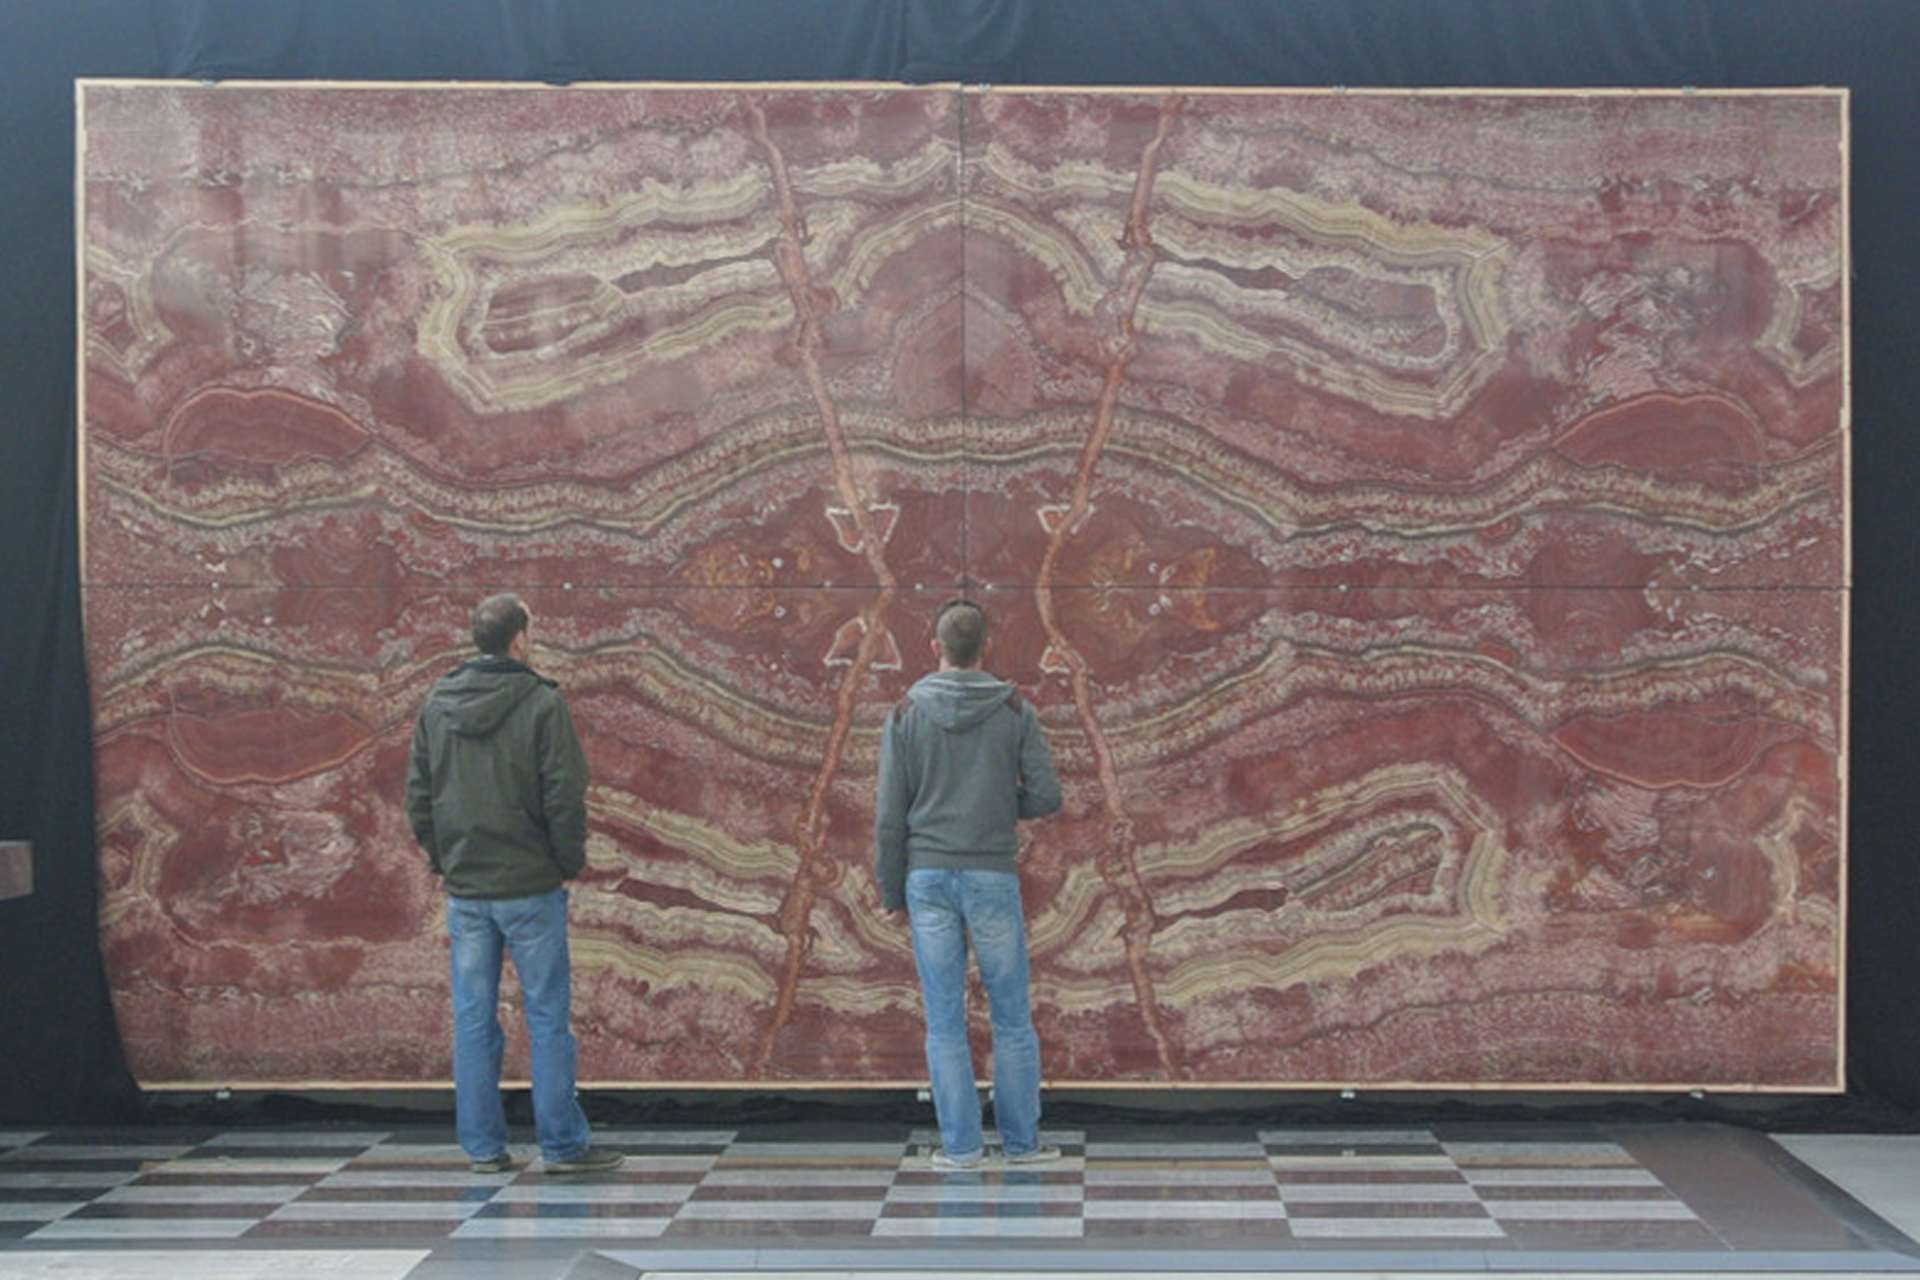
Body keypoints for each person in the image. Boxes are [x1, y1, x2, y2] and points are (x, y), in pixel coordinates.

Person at [405, 593, 621, 1176]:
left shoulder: (436, 704)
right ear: (520, 639)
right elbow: (563, 795)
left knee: (473, 1017)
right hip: (531, 886)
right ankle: (562, 1145)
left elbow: (418, 797)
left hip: (469, 890)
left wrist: (443, 859)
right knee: (547, 1016)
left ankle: (482, 1147)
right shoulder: (541, 704)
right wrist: (564, 862)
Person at [874, 597, 1064, 1169]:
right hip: (991, 875)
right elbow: (1049, 794)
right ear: (987, 646)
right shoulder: (1013, 709)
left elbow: (889, 815)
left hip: (927, 877)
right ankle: (1023, 1145)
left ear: (935, 647)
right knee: (1011, 1018)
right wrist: (1001, 805)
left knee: (944, 1020)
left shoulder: (906, 712)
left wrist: (889, 890)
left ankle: (960, 1149)